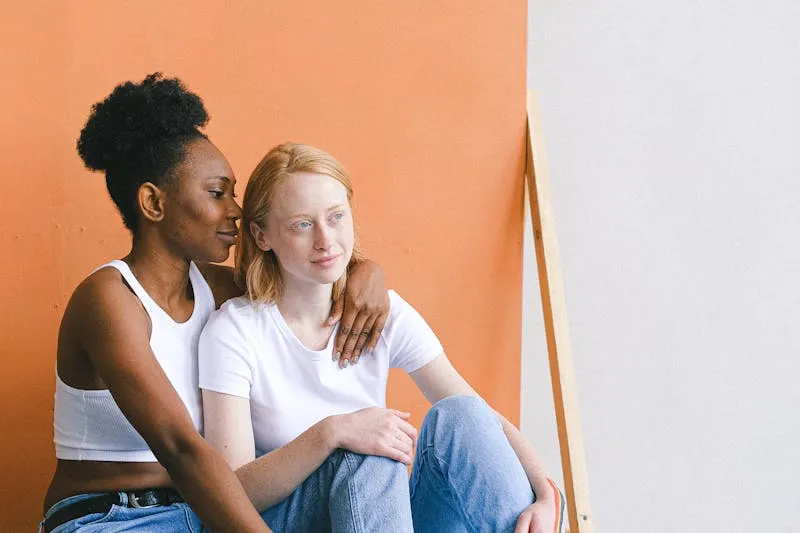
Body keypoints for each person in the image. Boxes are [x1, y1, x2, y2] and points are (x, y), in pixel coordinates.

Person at [42, 74, 389, 533]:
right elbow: (180, 447)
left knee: (363, 454)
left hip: (202, 512)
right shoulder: (109, 300)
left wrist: (367, 272)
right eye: (216, 192)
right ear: (153, 202)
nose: (236, 210)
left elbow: (305, 273)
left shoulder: (218, 288)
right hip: (113, 519)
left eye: (234, 192)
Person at [199, 142, 567, 533]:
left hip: (376, 517)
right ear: (261, 236)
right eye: (302, 225)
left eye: (336, 216)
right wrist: (333, 432)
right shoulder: (234, 331)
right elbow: (231, 492)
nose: (326, 239)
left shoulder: (382, 313)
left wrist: (546, 493)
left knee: (460, 413)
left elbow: (480, 419)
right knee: (369, 448)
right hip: (284, 522)